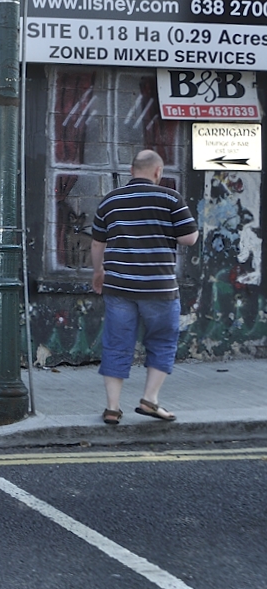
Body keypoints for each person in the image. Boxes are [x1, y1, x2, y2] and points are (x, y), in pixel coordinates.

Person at [91, 149, 198, 425]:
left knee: (116, 343)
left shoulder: (110, 200)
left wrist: (98, 272)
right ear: (158, 172)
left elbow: (98, 243)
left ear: (131, 171)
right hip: (158, 287)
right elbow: (189, 238)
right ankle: (150, 400)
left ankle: (112, 408)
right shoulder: (170, 198)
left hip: (119, 286)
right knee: (162, 340)